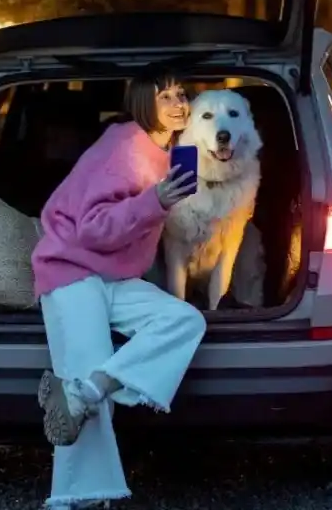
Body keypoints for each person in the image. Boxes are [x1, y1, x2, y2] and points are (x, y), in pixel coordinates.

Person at [31, 71, 207, 509]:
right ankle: (79, 500)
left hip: (115, 278)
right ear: (143, 103)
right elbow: (93, 230)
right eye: (164, 95)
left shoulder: (166, 155)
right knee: (90, 404)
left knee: (184, 320)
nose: (177, 103)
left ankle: (84, 391)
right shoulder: (124, 145)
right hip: (72, 270)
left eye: (181, 94)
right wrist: (157, 202)